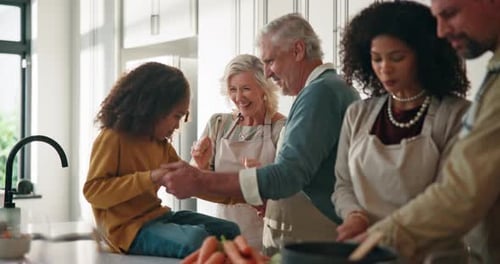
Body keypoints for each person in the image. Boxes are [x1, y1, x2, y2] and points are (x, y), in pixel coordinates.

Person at [157, 13, 360, 254]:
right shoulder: (328, 88)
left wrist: (199, 179)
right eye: (233, 89)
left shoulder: (320, 93)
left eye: (271, 61)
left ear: (297, 51)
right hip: (304, 237)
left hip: (314, 241)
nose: (269, 73)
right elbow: (312, 176)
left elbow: (288, 175)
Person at [359, 0, 500, 263]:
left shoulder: (454, 112)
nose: (441, 31)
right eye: (377, 58)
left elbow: (461, 193)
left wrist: (381, 238)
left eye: (451, 14)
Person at [332, 0, 470, 246]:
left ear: (424, 56)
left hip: (430, 253)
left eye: (397, 58)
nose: (385, 69)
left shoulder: (455, 115)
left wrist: (388, 231)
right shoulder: (358, 114)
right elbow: (343, 185)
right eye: (376, 59)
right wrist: (354, 215)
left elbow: (447, 196)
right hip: (365, 250)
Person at [83, 62, 240, 258]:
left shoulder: (160, 144)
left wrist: (242, 197)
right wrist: (150, 178)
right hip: (126, 231)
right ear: (153, 108)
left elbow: (196, 184)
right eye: (176, 116)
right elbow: (94, 192)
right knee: (197, 239)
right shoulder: (113, 138)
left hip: (158, 217)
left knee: (230, 230)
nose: (177, 125)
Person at [190, 54, 286, 250]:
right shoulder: (218, 124)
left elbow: (289, 191)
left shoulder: (282, 128)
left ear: (264, 88)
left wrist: (263, 177)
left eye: (246, 89)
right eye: (233, 89)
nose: (238, 97)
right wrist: (200, 163)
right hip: (224, 232)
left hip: (266, 235)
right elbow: (195, 183)